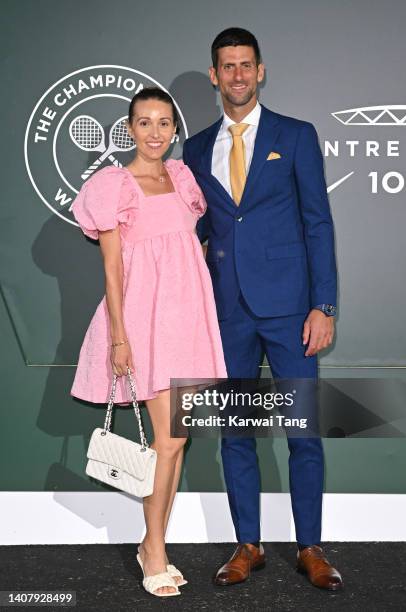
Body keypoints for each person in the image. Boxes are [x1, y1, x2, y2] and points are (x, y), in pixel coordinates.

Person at [183, 28, 343, 590]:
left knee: (303, 433)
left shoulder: (296, 136)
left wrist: (323, 304)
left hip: (291, 311)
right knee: (236, 434)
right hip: (228, 312)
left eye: (246, 65)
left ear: (261, 70)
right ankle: (246, 544)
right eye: (227, 66)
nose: (238, 75)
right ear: (214, 75)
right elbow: (195, 229)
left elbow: (317, 223)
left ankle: (311, 548)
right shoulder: (196, 148)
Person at [70, 87, 227, 597]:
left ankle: (152, 543)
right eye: (144, 122)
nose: (155, 132)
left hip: (188, 319)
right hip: (143, 320)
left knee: (175, 443)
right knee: (171, 440)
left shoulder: (183, 178)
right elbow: (112, 267)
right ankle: (153, 549)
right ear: (130, 129)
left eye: (164, 123)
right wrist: (119, 336)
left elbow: (189, 242)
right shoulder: (113, 185)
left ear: (174, 130)